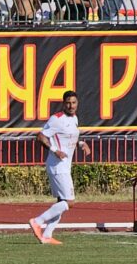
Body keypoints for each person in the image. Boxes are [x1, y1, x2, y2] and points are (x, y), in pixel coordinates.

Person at [28, 90, 90, 245]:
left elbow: (70, 137)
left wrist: (82, 143)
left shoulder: (74, 118)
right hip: (57, 166)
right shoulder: (56, 119)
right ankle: (37, 221)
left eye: (73, 103)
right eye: (68, 103)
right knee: (70, 202)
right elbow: (41, 136)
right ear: (63, 103)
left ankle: (47, 235)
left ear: (77, 103)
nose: (71, 106)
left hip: (65, 166)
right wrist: (55, 150)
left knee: (61, 201)